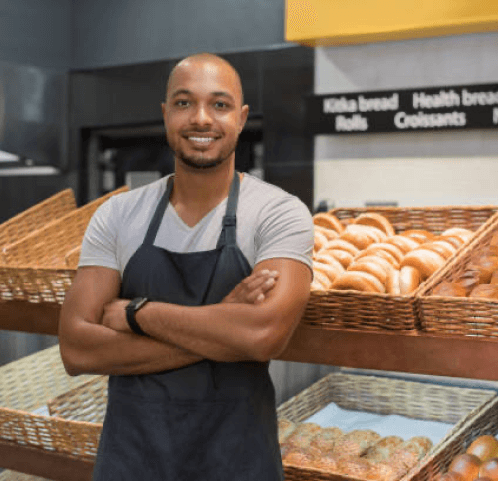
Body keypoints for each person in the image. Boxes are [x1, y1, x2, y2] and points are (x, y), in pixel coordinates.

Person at [58, 53, 314, 480]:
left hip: (237, 460)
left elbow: (263, 334)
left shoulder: (279, 213)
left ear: (241, 116)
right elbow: (77, 348)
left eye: (219, 104)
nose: (200, 119)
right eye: (183, 103)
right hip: (133, 460)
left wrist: (137, 314)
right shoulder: (118, 215)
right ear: (164, 114)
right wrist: (223, 320)